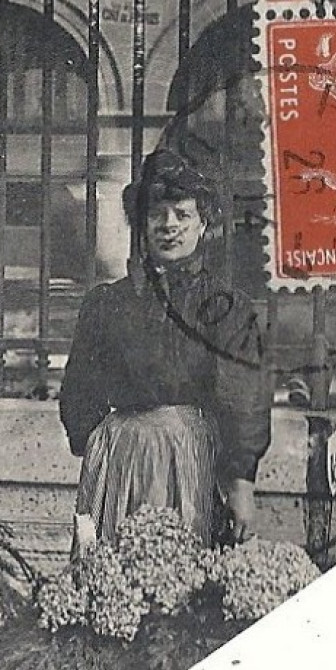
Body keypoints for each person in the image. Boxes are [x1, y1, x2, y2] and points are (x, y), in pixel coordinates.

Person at [58, 147, 272, 554]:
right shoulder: (107, 304)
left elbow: (244, 396)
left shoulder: (227, 309)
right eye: (157, 214)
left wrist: (241, 482)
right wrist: (107, 454)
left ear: (203, 223)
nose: (169, 225)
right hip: (121, 466)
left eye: (182, 214)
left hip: (191, 462)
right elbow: (79, 393)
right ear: (141, 223)